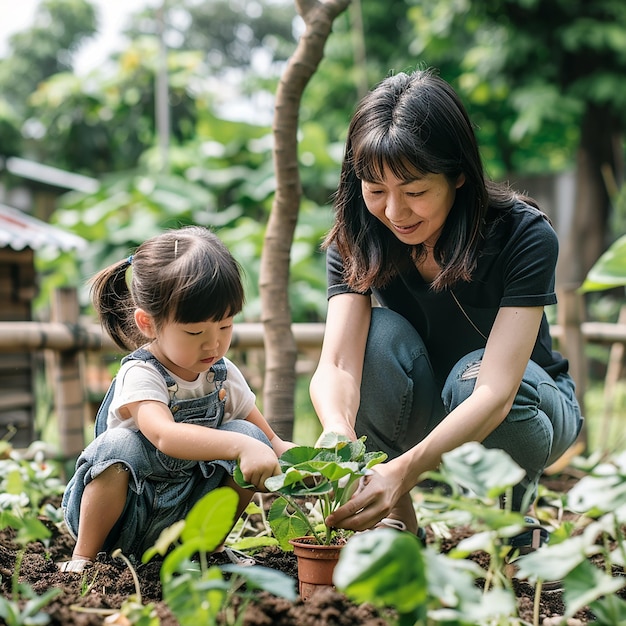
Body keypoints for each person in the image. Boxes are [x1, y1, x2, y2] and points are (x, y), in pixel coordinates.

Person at [309, 69, 583, 548]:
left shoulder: (522, 234)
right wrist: (338, 435)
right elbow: (336, 363)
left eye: (414, 191)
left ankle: (512, 522)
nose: (394, 212)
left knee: (470, 377)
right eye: (376, 190)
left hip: (526, 406)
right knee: (377, 336)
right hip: (433, 407)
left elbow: (497, 391)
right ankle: (397, 519)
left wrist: (405, 470)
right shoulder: (360, 237)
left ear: (458, 174)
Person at [59, 226, 293, 573]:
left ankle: (207, 548)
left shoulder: (221, 373)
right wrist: (238, 448)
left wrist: (308, 465)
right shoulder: (143, 374)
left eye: (225, 327)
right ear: (149, 323)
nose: (213, 345)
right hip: (125, 519)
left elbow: (270, 441)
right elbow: (164, 436)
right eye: (195, 332)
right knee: (118, 446)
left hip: (185, 518)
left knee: (252, 434)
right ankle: (84, 559)